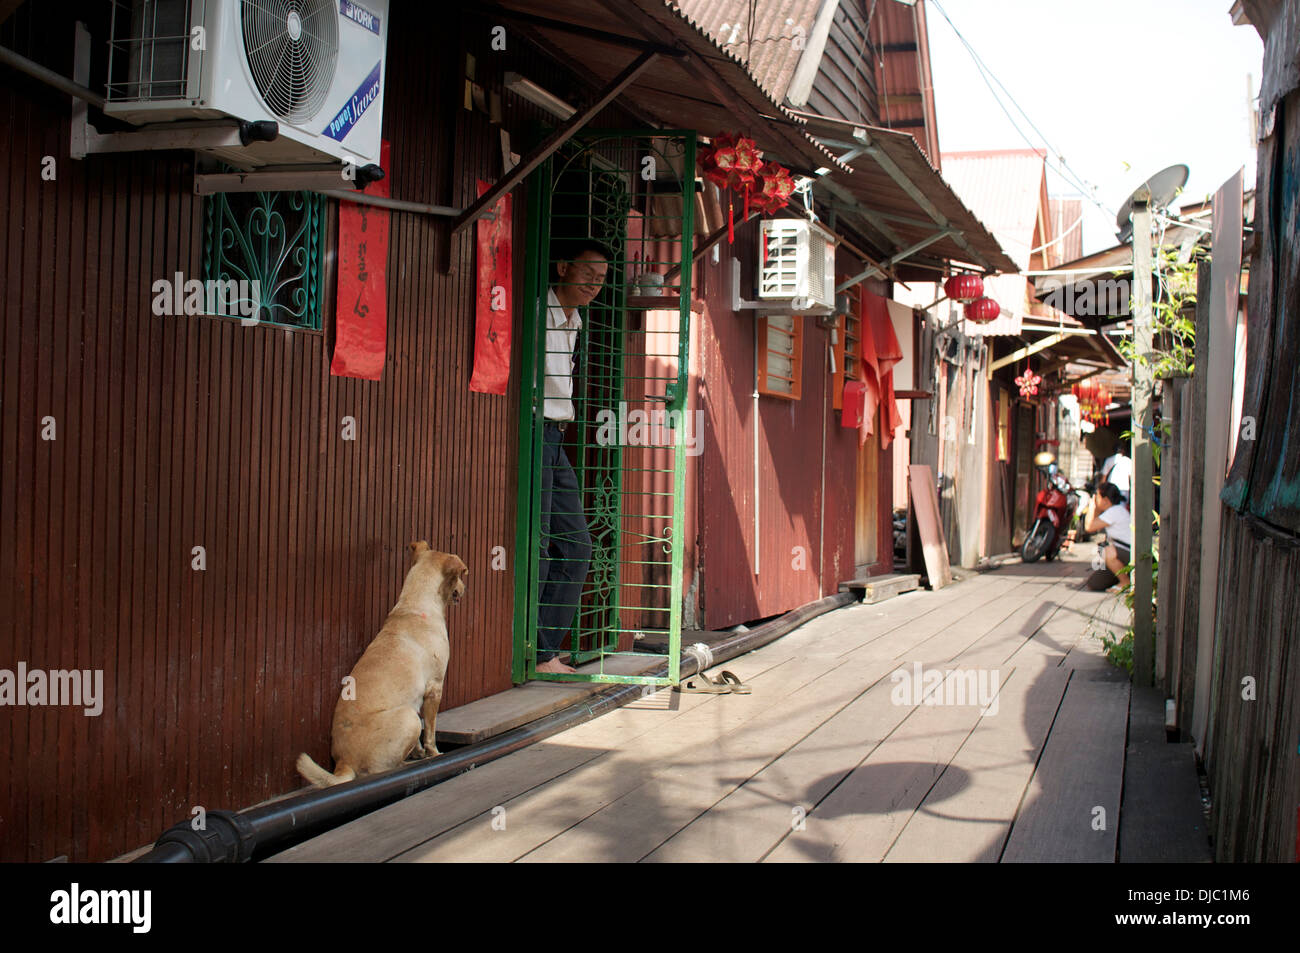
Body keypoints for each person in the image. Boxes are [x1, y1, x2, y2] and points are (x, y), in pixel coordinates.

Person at [535, 239, 609, 674]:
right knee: (542, 543)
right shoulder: (538, 310)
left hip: (557, 435)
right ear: (563, 267)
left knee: (578, 546)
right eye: (587, 274)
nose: (593, 285)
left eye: (600, 280)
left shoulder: (576, 321)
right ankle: (539, 654)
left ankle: (545, 650)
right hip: (535, 430)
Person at [1084, 482, 1132, 591]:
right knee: (1094, 584)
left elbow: (1089, 527)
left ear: (1105, 500)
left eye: (1098, 496)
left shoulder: (1115, 511)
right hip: (1123, 556)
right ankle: (1122, 578)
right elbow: (1094, 523)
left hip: (1129, 554)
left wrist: (1092, 506)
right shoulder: (1114, 510)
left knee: (1106, 550)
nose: (1096, 499)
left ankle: (1126, 583)